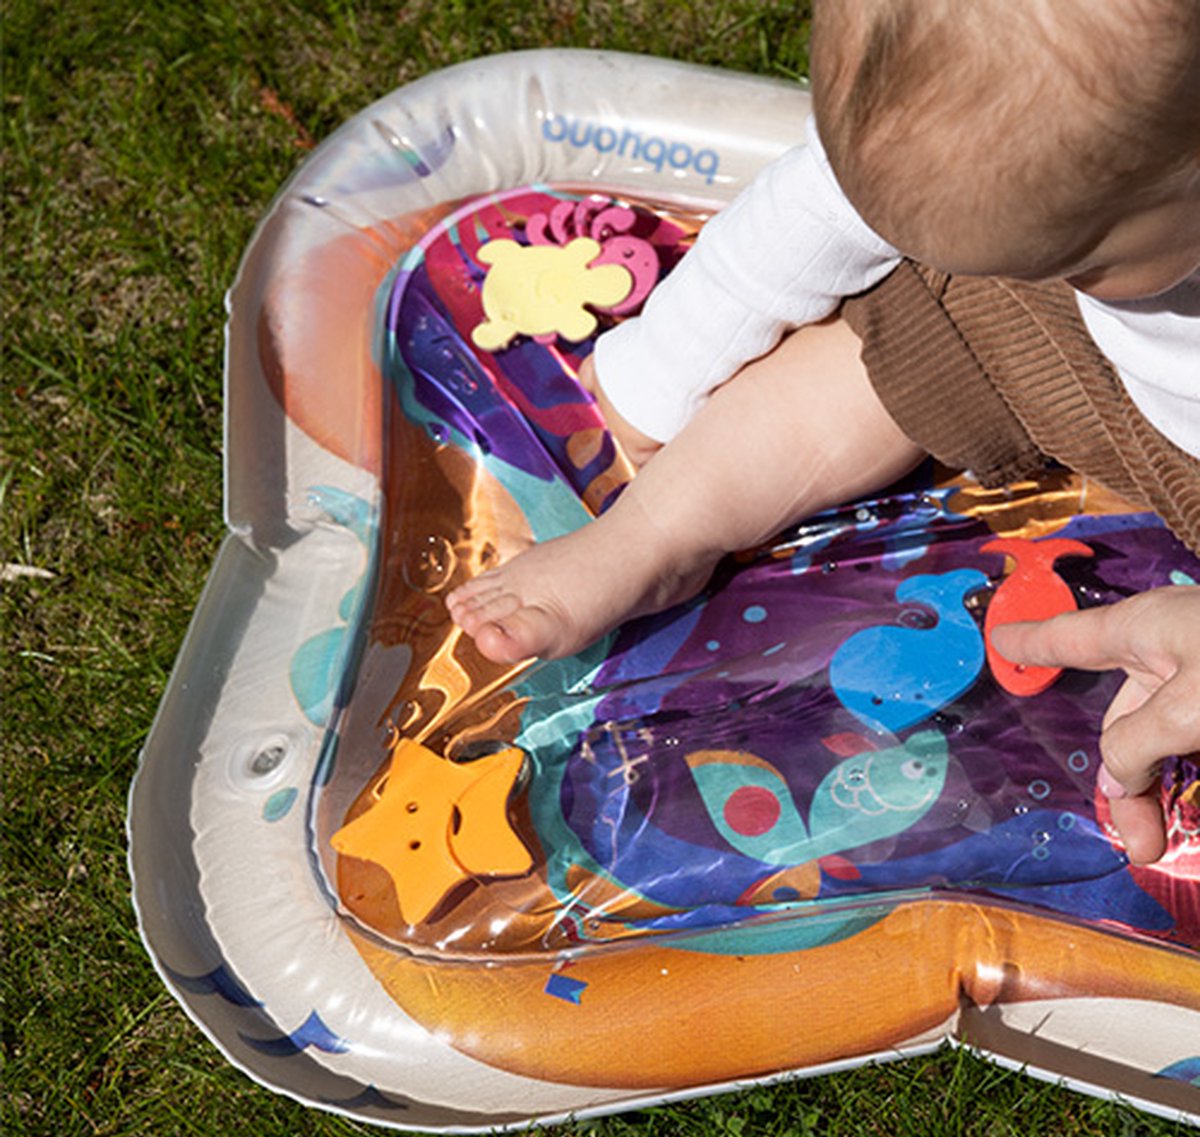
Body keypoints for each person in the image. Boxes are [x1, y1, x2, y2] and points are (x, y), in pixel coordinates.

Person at [448, 0, 1200, 864]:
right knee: (850, 367)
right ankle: (658, 532)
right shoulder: (1005, 138)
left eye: (1082, 253)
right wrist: (656, 376)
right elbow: (812, 219)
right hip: (1046, 332)